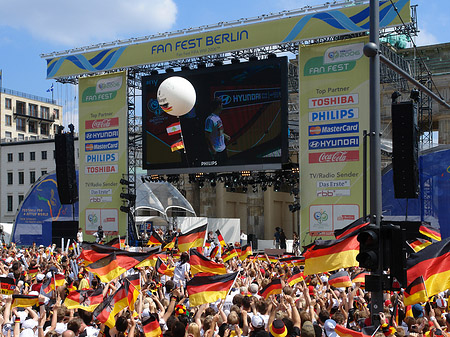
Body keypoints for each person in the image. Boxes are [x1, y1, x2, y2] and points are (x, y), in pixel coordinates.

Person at [205, 97, 230, 164]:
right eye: (221, 104)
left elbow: (217, 131)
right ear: (219, 106)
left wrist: (225, 135)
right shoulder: (210, 119)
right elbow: (207, 136)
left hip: (222, 148)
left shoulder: (217, 117)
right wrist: (212, 149)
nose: (222, 105)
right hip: (216, 151)